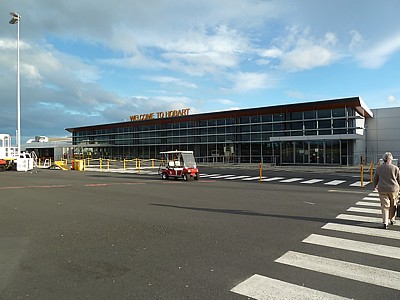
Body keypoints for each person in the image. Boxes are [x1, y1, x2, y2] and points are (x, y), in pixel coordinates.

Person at [373, 152, 400, 229]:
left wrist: (375, 186)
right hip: (394, 189)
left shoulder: (379, 168)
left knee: (385, 206)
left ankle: (385, 222)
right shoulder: (395, 168)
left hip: (382, 189)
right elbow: (399, 179)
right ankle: (392, 219)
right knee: (393, 204)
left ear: (383, 159)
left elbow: (375, 179)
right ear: (390, 159)